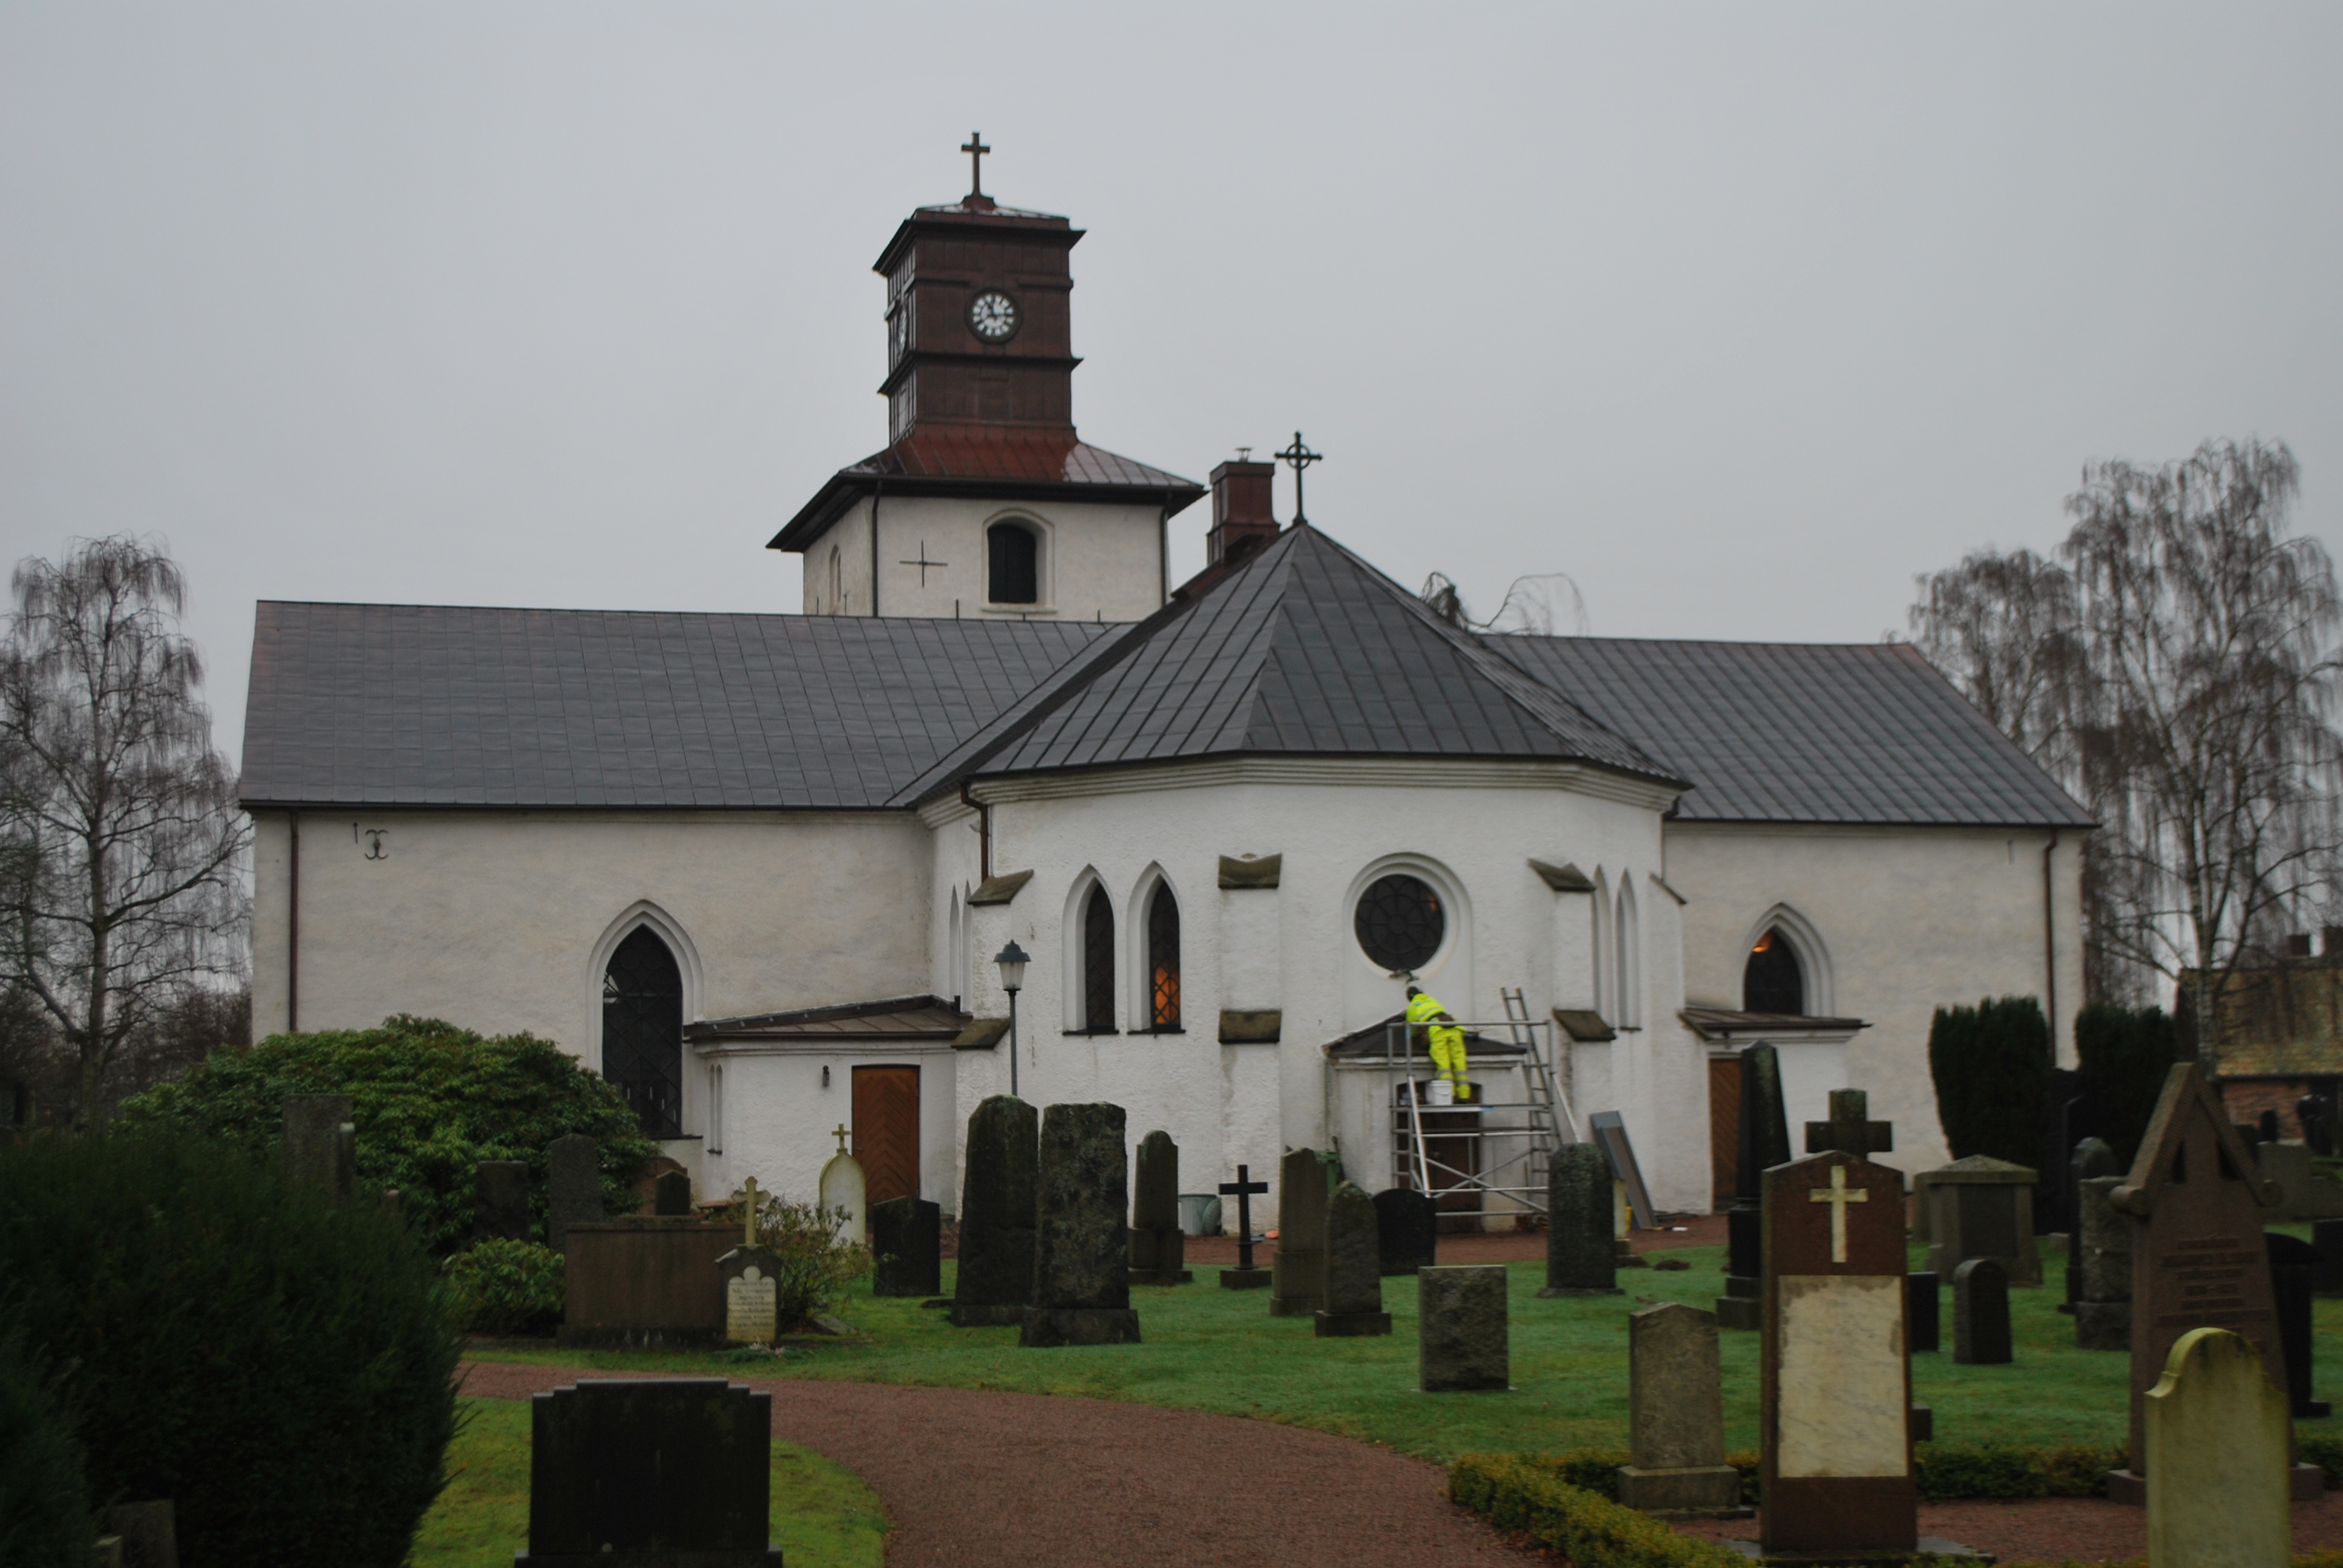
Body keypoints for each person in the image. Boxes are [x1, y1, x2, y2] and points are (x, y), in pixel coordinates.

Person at [1404, 985, 1470, 1102]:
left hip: (1437, 1029)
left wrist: (1417, 1034)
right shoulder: (1431, 999)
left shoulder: (1413, 1006)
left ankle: (1450, 1096)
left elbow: (1412, 1029)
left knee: (1443, 1064)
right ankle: (1464, 1095)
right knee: (1459, 1061)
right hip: (1453, 1026)